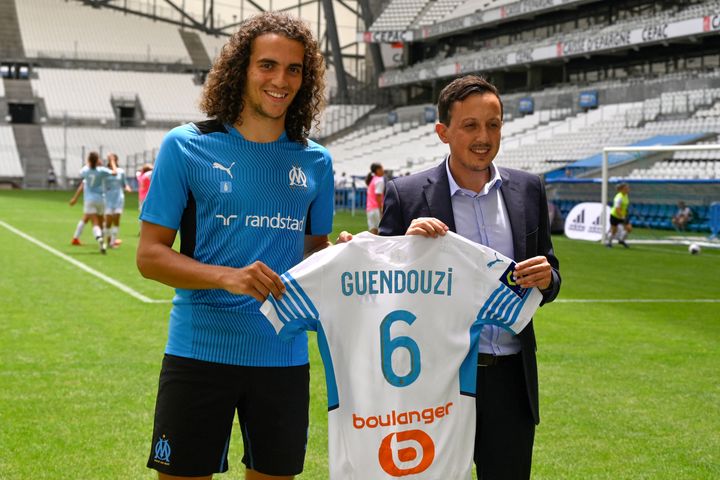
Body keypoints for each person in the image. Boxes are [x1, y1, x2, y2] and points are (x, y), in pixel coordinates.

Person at [136, 12, 335, 480]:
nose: (280, 80)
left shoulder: (317, 161)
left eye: (294, 69)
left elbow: (315, 252)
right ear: (241, 69)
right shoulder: (186, 146)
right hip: (199, 349)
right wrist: (229, 277)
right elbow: (149, 255)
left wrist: (344, 254)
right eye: (267, 65)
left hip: (283, 355)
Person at [378, 75, 561, 480]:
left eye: (493, 125)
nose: (484, 137)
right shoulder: (407, 194)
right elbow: (380, 286)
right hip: (436, 381)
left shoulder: (528, 189)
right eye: (471, 126)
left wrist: (547, 280)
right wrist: (405, 247)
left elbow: (550, 271)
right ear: (443, 132)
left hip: (511, 381)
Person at [69, 151, 116, 253]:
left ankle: (99, 238)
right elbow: (114, 172)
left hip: (89, 200)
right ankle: (104, 243)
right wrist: (112, 161)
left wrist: (90, 163)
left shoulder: (86, 170)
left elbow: (81, 174)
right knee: (101, 222)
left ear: (89, 160)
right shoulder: (101, 171)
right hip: (100, 199)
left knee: (94, 222)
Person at [102, 153, 132, 248]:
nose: (111, 161)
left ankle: (112, 242)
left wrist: (127, 188)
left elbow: (124, 183)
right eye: (110, 159)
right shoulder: (105, 172)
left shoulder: (121, 171)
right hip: (108, 198)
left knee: (116, 219)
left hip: (118, 198)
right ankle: (106, 240)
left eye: (113, 159)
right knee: (108, 221)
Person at [607, 182, 632, 248]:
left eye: (628, 188)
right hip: (615, 216)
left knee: (629, 228)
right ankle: (609, 243)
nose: (628, 190)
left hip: (623, 215)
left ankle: (621, 240)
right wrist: (622, 217)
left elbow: (624, 206)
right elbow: (617, 209)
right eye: (626, 188)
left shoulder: (626, 195)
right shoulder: (618, 197)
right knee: (614, 231)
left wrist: (626, 211)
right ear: (621, 189)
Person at [365, 162, 385, 234]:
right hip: (376, 209)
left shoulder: (372, 180)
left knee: (372, 231)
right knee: (381, 232)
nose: (383, 170)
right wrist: (381, 209)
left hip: (369, 209)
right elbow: (378, 195)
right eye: (382, 168)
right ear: (377, 170)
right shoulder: (379, 180)